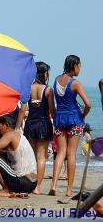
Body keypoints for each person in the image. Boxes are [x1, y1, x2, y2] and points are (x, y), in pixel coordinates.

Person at [49, 55, 91, 197]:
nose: (80, 69)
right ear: (74, 66)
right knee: (71, 154)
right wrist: (83, 116)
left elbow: (54, 105)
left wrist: (55, 117)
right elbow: (88, 104)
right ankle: (69, 189)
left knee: (60, 153)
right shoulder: (75, 83)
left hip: (60, 119)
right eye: (79, 66)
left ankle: (53, 185)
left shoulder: (56, 80)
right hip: (74, 119)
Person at [0, 115, 37, 197]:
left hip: (22, 181)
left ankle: (6, 189)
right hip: (31, 184)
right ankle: (9, 188)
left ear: (6, 125)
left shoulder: (10, 135)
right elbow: (3, 154)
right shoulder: (18, 135)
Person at [22, 62, 55, 194]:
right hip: (43, 124)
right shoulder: (48, 90)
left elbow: (24, 107)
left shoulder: (28, 88)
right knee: (41, 157)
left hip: (30, 124)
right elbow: (52, 111)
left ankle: (29, 184)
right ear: (45, 73)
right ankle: (37, 187)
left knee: (31, 156)